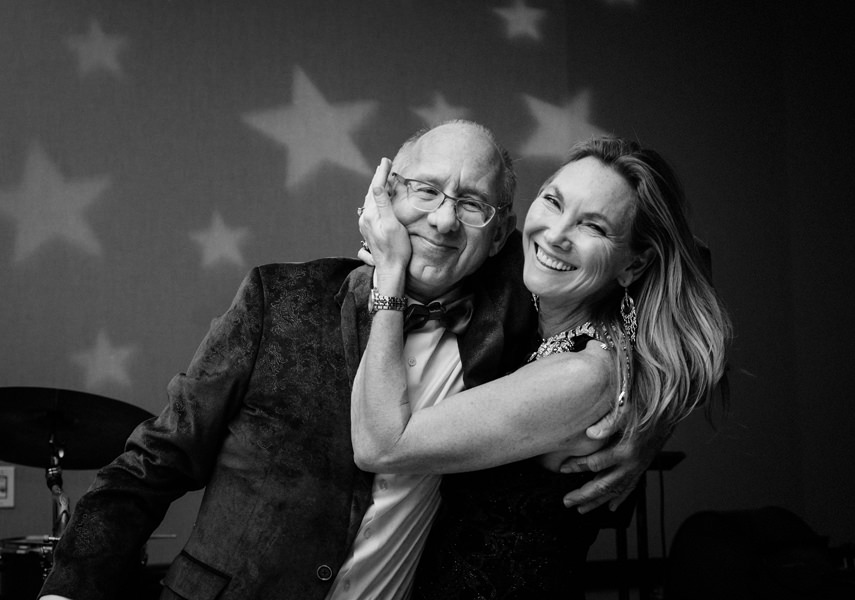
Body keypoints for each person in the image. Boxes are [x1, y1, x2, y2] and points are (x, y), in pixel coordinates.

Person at [39, 122, 661, 600]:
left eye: (472, 204)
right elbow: (155, 460)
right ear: (383, 194)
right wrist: (68, 589)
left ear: (499, 235)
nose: (443, 219)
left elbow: (661, 285)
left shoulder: (526, 317)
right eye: (425, 190)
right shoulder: (279, 299)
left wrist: (647, 425)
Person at [353, 136, 732, 598]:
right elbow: (697, 254)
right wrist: (654, 429)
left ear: (634, 265)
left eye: (593, 226)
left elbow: (381, 446)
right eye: (552, 201)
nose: (555, 235)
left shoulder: (584, 374)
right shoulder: (530, 288)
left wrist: (389, 276)